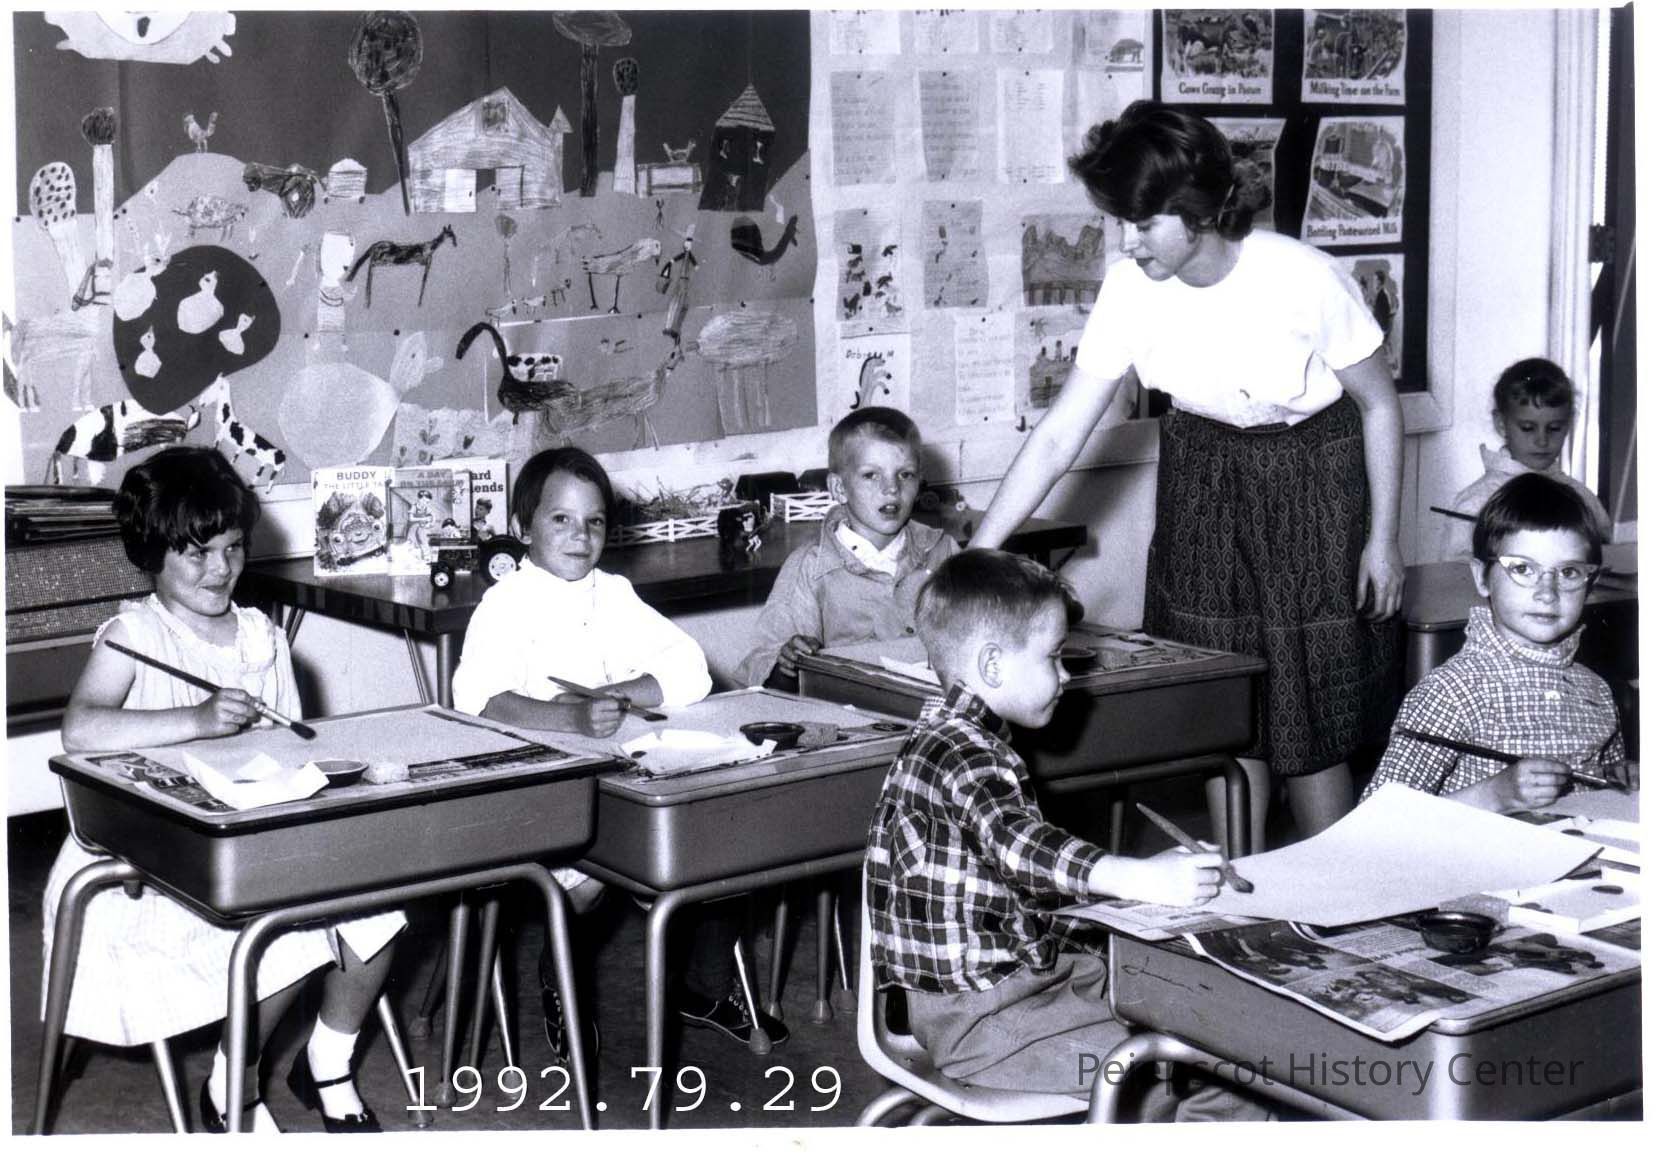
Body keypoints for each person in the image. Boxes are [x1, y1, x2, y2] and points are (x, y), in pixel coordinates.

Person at [968, 102, 1405, 845]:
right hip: (1201, 472)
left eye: (1143, 224)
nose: (1127, 242)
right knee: (1219, 698)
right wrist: (980, 551)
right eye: (1121, 223)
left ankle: (1333, 886)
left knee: (1308, 714)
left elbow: (1380, 405)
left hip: (1310, 473)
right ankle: (1240, 884)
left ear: (1199, 212)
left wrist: (1383, 540)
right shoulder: (1129, 288)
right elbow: (1060, 434)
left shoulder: (1300, 277)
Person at [51, 446, 404, 1133]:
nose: (220, 569)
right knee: (290, 935)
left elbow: (294, 749)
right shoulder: (133, 635)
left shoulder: (259, 636)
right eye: (197, 553)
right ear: (151, 554)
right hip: (148, 859)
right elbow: (80, 729)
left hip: (247, 837)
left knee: (377, 910)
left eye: (233, 547)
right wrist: (196, 720)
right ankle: (232, 1087)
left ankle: (327, 1062)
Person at [866, 550, 1267, 1115]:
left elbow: (1011, 879)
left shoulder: (945, 736)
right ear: (993, 665)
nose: (1066, 675)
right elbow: (1020, 848)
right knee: (1226, 1070)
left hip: (1012, 997)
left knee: (1192, 1007)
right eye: (1053, 657)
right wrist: (1141, 879)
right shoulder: (964, 753)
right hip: (992, 1026)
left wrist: (1143, 883)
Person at [450, 447, 786, 1056]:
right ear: (523, 527)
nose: (580, 536)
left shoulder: (613, 593)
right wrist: (571, 718)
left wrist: (617, 695)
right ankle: (558, 973)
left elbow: (690, 669)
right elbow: (480, 700)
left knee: (725, 836)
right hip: (542, 788)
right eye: (561, 519)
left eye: (595, 521)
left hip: (620, 776)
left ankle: (702, 985)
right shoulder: (506, 602)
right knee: (586, 882)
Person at [1364, 474, 1629, 811]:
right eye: (1523, 569)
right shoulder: (1451, 692)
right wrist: (1495, 795)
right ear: (1481, 577)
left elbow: (1600, 795)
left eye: (1568, 572)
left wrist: (1619, 781)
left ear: (1590, 582)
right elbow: (1379, 818)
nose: (1547, 592)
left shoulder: (1597, 692)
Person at [732, 407, 957, 689]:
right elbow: (760, 669)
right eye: (871, 475)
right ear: (839, 488)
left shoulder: (944, 553)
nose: (891, 488)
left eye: (905, 474)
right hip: (844, 710)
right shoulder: (810, 566)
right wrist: (787, 663)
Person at [1440, 357, 1612, 559]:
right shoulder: (1476, 503)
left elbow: (1605, 556)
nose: (1542, 441)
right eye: (1528, 428)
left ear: (1568, 424)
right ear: (1501, 424)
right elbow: (1455, 571)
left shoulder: (1582, 498)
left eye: (1554, 428)